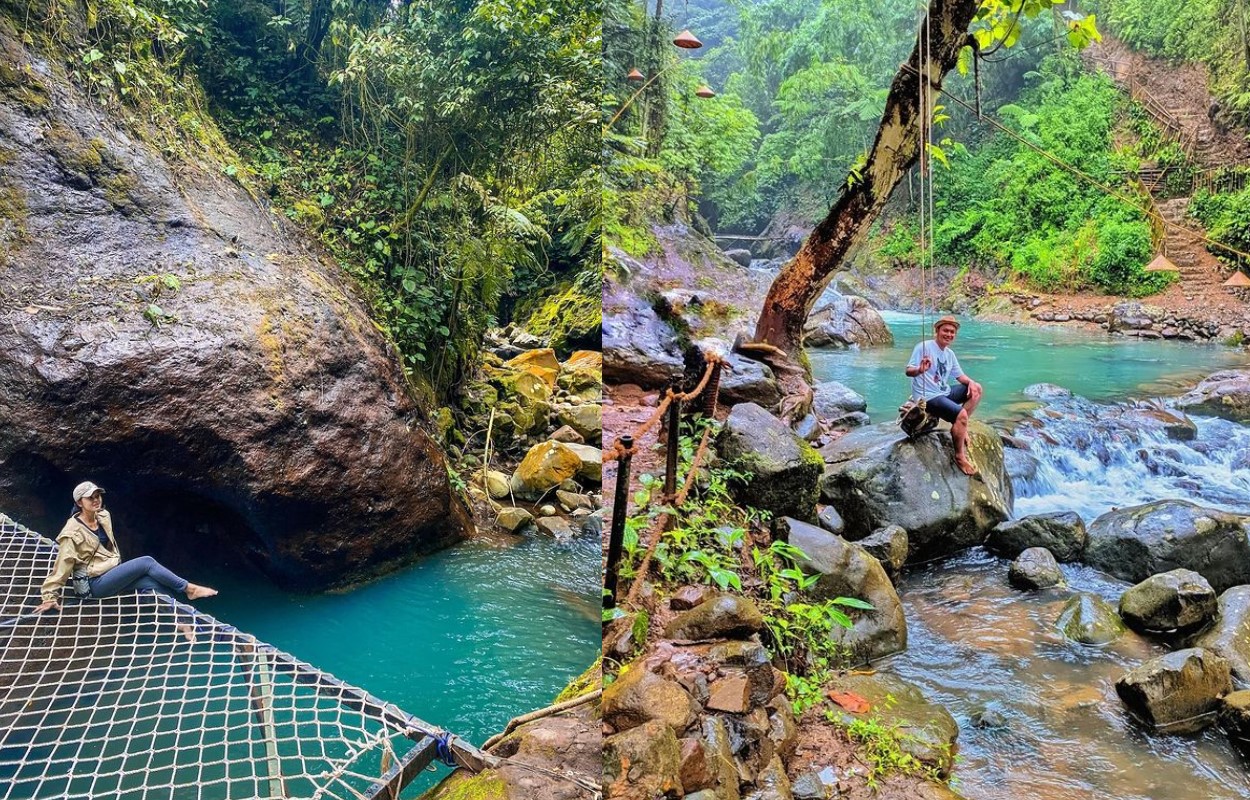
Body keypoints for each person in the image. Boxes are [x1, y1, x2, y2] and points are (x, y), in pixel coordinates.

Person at [34, 481, 218, 614]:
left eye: (97, 495)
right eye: (90, 498)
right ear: (79, 503)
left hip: (109, 575)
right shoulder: (71, 532)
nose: (96, 500)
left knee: (152, 583)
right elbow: (61, 566)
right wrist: (49, 596)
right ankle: (189, 589)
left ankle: (182, 620)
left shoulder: (103, 516)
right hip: (93, 586)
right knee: (147, 562)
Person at [904, 316, 984, 476]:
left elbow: (960, 376)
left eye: (952, 332)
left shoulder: (949, 354)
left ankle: (960, 427)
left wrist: (972, 383)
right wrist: (920, 369)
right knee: (961, 414)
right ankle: (960, 456)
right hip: (927, 396)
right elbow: (908, 371)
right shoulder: (923, 347)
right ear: (937, 331)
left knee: (977, 389)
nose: (949, 334)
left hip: (943, 392)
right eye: (945, 330)